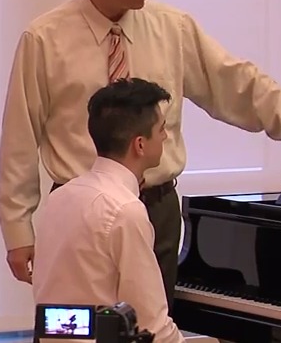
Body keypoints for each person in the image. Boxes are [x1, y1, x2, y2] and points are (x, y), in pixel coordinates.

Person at [0, 0, 281, 309]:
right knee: (77, 331)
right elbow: (19, 141)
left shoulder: (172, 27)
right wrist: (17, 231)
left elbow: (236, 84)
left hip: (155, 211)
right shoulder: (44, 39)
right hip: (79, 211)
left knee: (151, 325)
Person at [32, 78, 185, 343]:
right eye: (161, 129)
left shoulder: (60, 197)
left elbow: (57, 314)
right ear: (140, 144)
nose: (165, 136)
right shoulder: (126, 211)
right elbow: (152, 325)